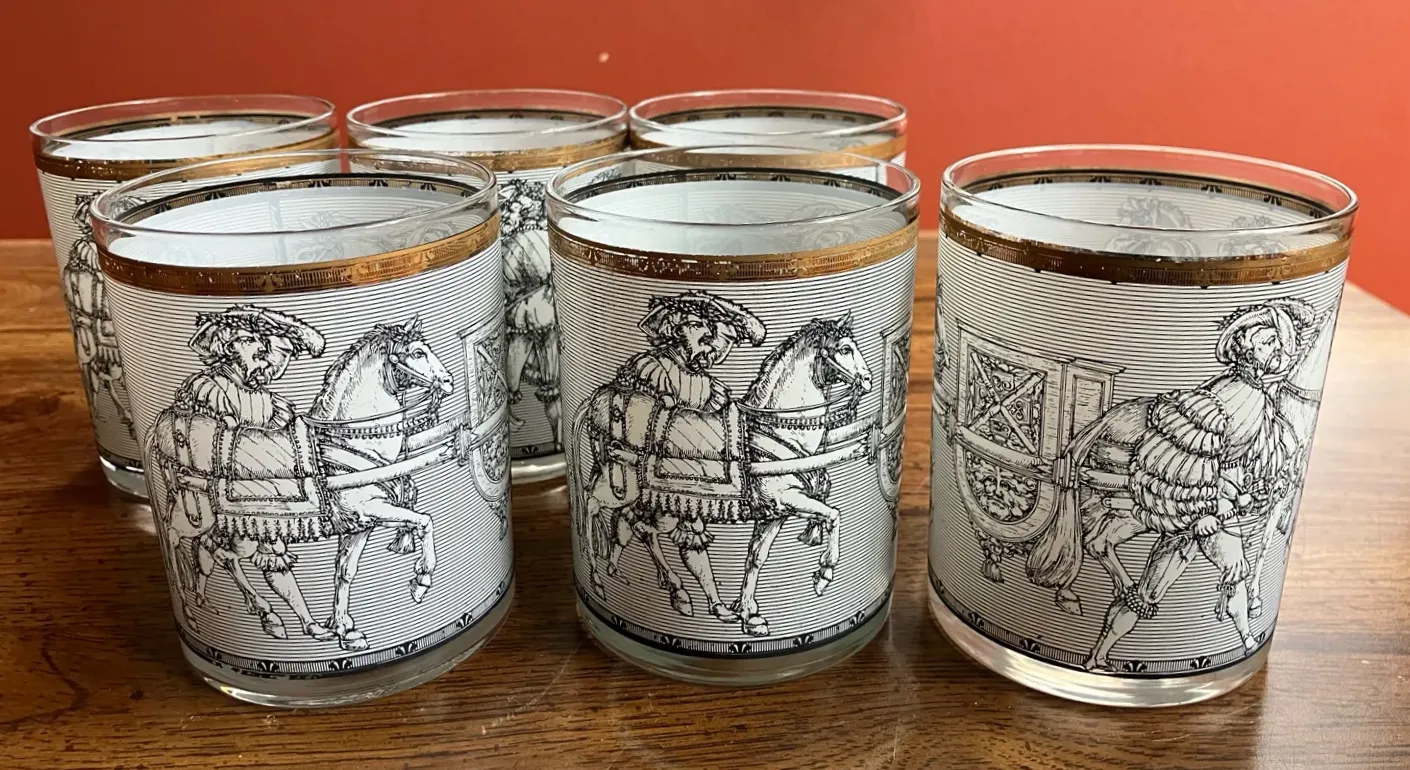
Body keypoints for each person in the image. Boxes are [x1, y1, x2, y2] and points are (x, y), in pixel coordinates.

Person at [1086, 299, 1317, 670]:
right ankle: (1098, 657)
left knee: (1235, 568)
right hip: (1193, 514)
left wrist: (1240, 492)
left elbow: (1244, 455)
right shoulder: (1224, 397)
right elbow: (1188, 458)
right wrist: (1203, 513)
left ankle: (1245, 641)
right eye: (1268, 342)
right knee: (1149, 591)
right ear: (1246, 347)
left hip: (1214, 508)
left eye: (1279, 343)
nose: (1277, 350)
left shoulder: (1258, 397)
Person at [177, 305, 332, 641]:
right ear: (227, 346)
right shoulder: (209, 389)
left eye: (261, 342)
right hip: (222, 494)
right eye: (250, 341)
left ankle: (306, 621)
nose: (262, 350)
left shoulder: (266, 399)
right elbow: (205, 446)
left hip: (261, 493)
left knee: (274, 553)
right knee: (249, 549)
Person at [609, 291, 766, 620]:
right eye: (696, 326)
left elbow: (715, 429)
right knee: (661, 522)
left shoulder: (705, 383)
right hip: (649, 470)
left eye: (706, 327)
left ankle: (713, 602)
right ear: (673, 328)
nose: (706, 335)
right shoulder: (651, 369)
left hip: (685, 472)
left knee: (692, 531)